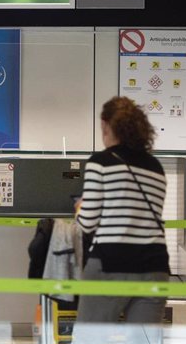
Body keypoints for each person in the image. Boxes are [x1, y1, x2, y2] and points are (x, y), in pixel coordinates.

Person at [73, 97, 169, 344]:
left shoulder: (101, 162)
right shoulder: (156, 167)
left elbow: (87, 223)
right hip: (155, 266)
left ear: (106, 125)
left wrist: (79, 208)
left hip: (111, 262)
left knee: (90, 340)